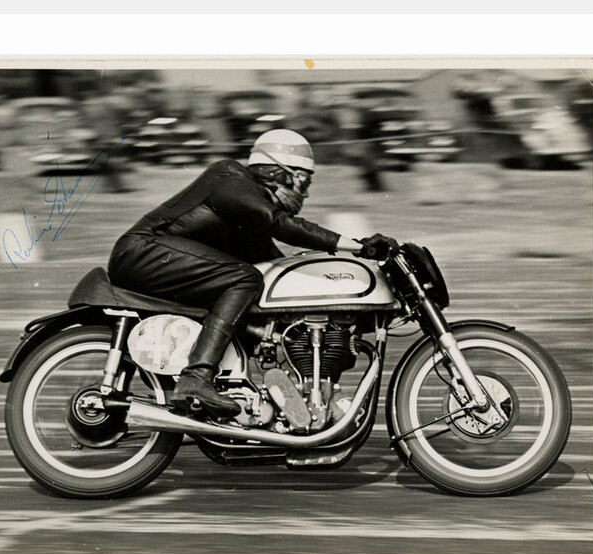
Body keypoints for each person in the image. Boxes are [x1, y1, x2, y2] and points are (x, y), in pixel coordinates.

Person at [108, 129, 399, 418]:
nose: (306, 191)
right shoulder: (230, 178)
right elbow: (279, 222)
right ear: (282, 172)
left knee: (263, 286)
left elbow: (276, 264)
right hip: (142, 253)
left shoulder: (248, 214)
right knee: (245, 278)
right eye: (304, 180)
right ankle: (196, 378)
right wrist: (356, 247)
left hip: (160, 260)